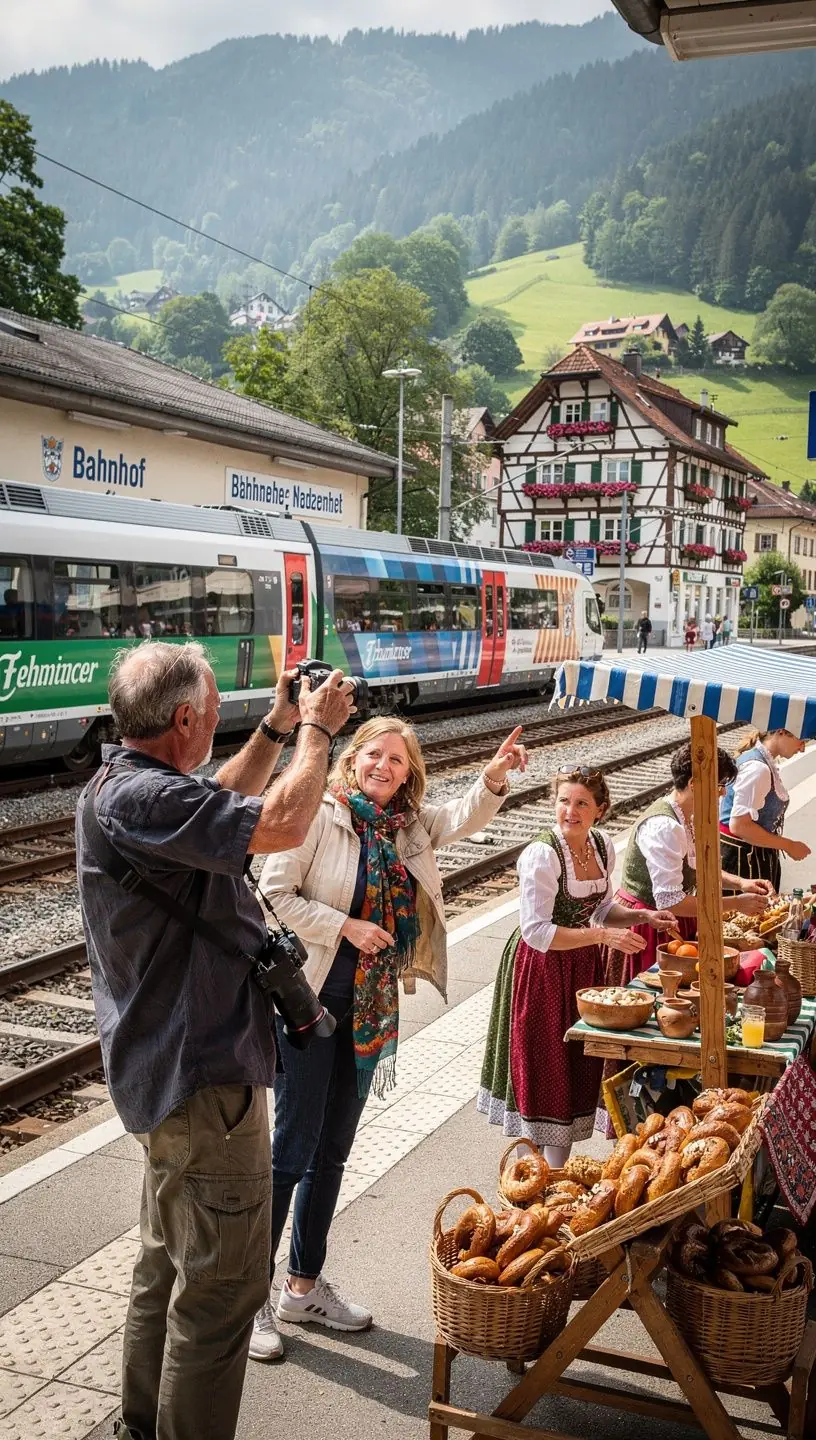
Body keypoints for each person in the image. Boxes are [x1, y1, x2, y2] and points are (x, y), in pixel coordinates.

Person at [75, 641, 356, 1440]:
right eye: (218, 710)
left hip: (166, 1075)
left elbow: (220, 809)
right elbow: (280, 822)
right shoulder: (146, 800)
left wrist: (272, 724)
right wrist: (317, 733)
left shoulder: (128, 790)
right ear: (188, 718)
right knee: (223, 1294)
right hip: (203, 1080)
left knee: (164, 1272)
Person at [249, 717, 528, 1360]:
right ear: (353, 758)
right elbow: (273, 895)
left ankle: (303, 1285)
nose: (384, 766)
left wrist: (493, 775)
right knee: (290, 1152)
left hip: (368, 1011)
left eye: (397, 761)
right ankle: (250, 1299)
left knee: (333, 1154)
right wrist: (344, 926)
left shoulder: (404, 827)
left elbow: (461, 815)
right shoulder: (316, 814)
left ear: (409, 773)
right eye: (374, 754)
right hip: (308, 1002)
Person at [477, 766, 676, 1169]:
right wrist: (602, 937)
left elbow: (600, 909)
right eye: (564, 801)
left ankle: (556, 1174)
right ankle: (533, 1176)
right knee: (541, 1062)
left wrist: (645, 917)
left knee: (572, 1064)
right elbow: (537, 931)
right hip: (541, 968)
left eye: (581, 803)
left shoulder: (602, 846)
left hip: (582, 965)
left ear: (599, 811)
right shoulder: (542, 853)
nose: (570, 810)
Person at [606, 742, 774, 987]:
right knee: (657, 996)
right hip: (649, 923)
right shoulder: (665, 827)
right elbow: (671, 901)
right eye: (719, 786)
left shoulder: (686, 816)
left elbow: (696, 868)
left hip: (669, 919)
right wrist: (736, 903)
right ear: (694, 784)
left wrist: (740, 882)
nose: (723, 794)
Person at [720, 728, 810, 891]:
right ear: (782, 732)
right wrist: (788, 845)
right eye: (802, 741)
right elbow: (740, 826)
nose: (803, 748)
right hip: (741, 860)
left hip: (751, 854)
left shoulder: (761, 761)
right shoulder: (757, 769)